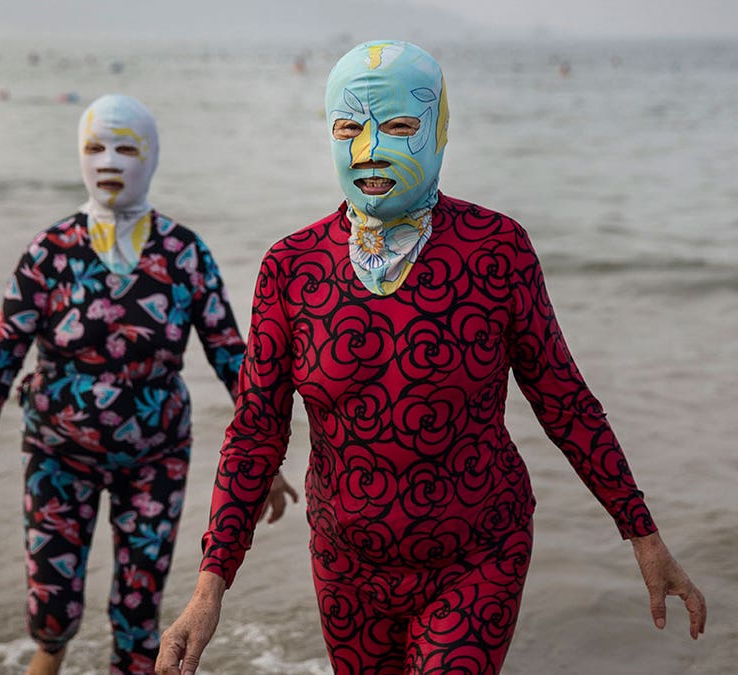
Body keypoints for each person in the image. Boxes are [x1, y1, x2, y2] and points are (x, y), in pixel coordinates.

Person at [157, 41, 706, 675]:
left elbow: (564, 401)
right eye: (347, 129)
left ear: (440, 130)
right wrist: (209, 587)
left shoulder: (495, 249)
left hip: (478, 556)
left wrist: (642, 534)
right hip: (346, 569)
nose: (368, 149)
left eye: (396, 126)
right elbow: (256, 433)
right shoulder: (292, 267)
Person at [0, 94, 296, 675]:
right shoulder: (48, 252)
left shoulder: (185, 254)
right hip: (57, 454)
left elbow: (235, 360)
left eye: (126, 146)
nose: (109, 159)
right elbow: (2, 354)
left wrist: (266, 464)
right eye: (94, 146)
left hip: (156, 458)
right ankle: (50, 653)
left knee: (139, 618)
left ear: (151, 156)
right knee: (51, 611)